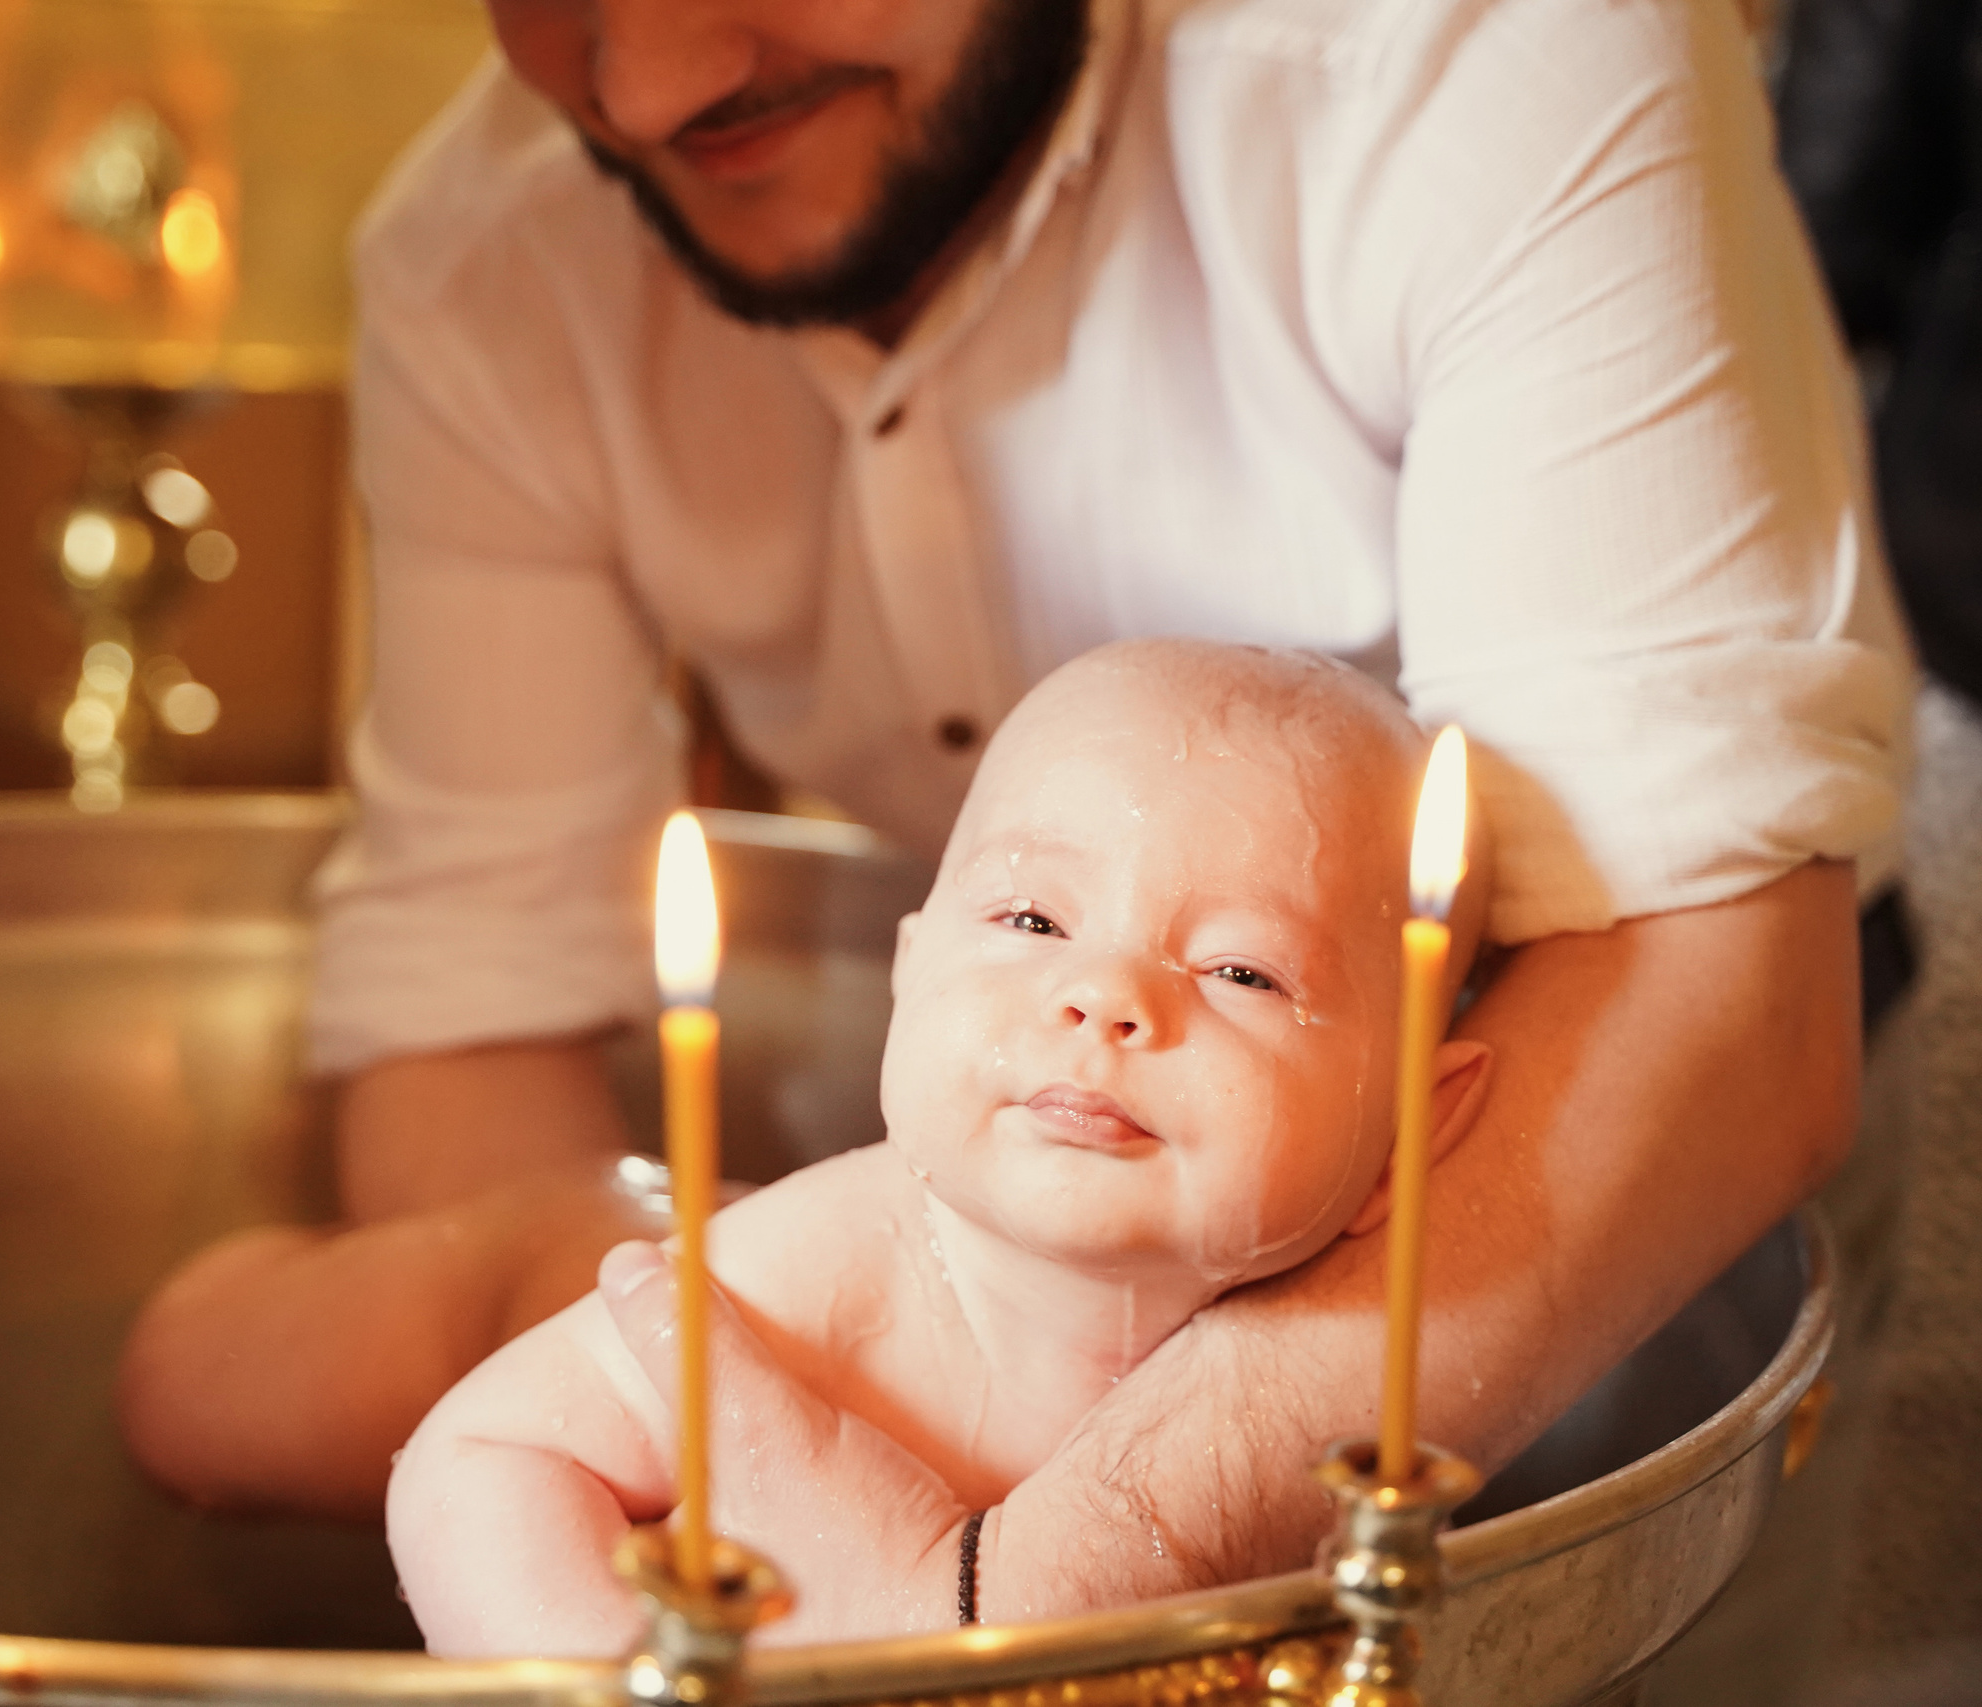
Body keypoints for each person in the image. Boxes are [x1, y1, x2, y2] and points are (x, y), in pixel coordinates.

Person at [120, 0, 1913, 1617]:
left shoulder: (1479, 57)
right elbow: (475, 993)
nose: (649, 82)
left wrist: (1036, 1585)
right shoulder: (485, 258)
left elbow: (1729, 995)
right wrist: (663, 1482)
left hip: (1599, 1175)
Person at [388, 641, 1494, 1654]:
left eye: (1242, 972)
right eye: (1031, 923)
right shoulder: (810, 1280)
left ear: (1414, 1130)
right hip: (518, 1269)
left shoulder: (1382, 1406)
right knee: (276, 1358)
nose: (1102, 996)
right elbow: (478, 1465)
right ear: (907, 968)